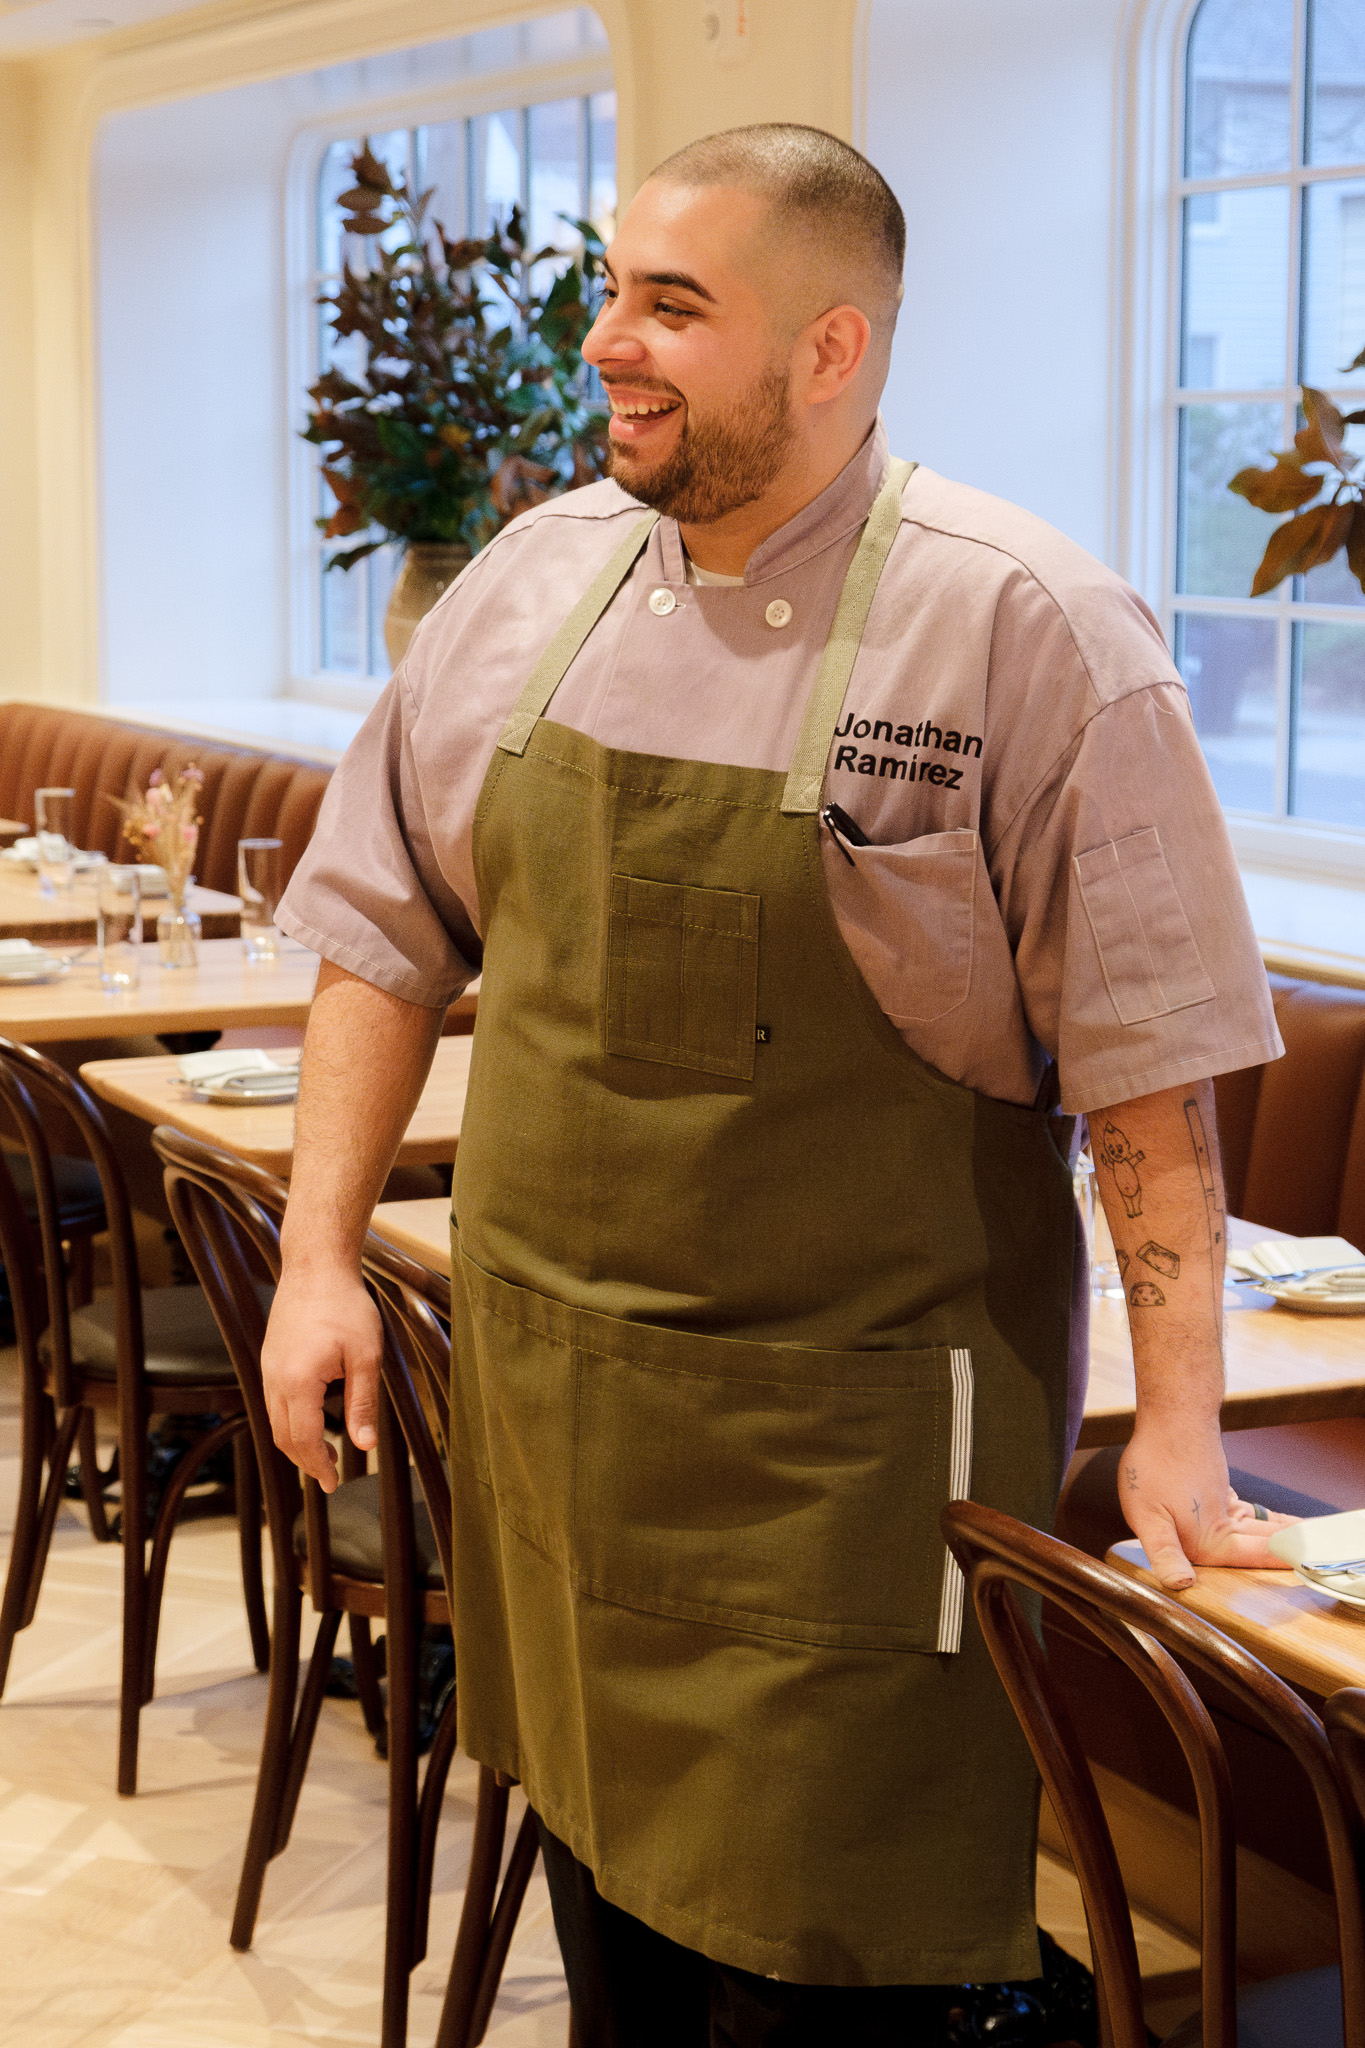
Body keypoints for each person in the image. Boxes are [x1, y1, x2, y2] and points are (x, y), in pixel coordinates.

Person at [265, 124, 1290, 2045]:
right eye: (610, 293)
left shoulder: (1023, 627)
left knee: (846, 1977)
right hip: (561, 1424)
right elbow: (377, 934)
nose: (605, 345)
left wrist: (1173, 1423)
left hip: (851, 1473)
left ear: (834, 348)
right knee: (618, 1956)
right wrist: (319, 1259)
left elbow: (1150, 1081)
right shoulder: (524, 587)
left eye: (672, 306)